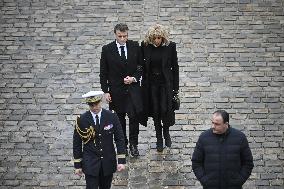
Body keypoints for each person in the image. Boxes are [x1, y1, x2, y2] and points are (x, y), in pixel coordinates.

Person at [99, 23, 143, 157]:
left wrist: (134, 78)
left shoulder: (135, 46)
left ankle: (133, 145)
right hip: (116, 91)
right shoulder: (107, 49)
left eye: (125, 36)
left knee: (134, 118)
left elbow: (140, 67)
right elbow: (103, 73)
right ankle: (122, 145)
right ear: (115, 34)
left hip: (133, 90)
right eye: (120, 36)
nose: (123, 39)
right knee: (119, 120)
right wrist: (106, 91)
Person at [73, 91, 126, 189]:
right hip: (90, 162)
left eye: (96, 104)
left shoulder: (111, 116)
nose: (94, 107)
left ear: (100, 102)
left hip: (107, 161)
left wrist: (121, 160)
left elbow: (120, 139)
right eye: (91, 105)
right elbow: (77, 144)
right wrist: (77, 165)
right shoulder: (82, 120)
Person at [140, 24, 179, 152]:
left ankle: (166, 132)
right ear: (151, 38)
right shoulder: (145, 46)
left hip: (165, 84)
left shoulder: (170, 47)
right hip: (151, 85)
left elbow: (175, 68)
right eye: (155, 38)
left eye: (159, 38)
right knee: (155, 111)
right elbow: (141, 65)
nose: (157, 40)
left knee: (165, 110)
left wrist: (175, 88)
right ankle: (159, 138)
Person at [191, 110, 254, 189]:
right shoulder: (204, 137)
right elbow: (196, 162)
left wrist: (238, 181)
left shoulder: (240, 137)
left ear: (226, 124)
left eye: (217, 124)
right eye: (212, 122)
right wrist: (205, 180)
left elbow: (248, 163)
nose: (213, 126)